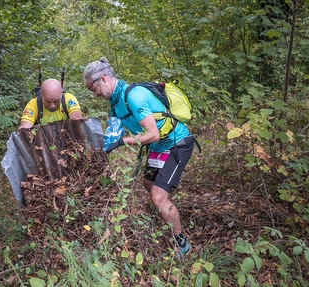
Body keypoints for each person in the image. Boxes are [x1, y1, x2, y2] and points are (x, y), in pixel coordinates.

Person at [84, 57, 197, 259]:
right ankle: (166, 211)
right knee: (147, 183)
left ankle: (183, 244)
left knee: (157, 196)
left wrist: (123, 142)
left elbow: (152, 134)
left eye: (93, 88)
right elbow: (114, 132)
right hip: (157, 147)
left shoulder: (134, 96)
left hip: (176, 143)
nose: (94, 94)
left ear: (103, 79)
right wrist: (104, 146)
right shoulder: (114, 103)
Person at [18, 78, 83, 130]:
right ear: (41, 94)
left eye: (56, 101)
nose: (52, 106)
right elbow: (24, 128)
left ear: (62, 93)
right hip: (42, 142)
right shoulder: (33, 104)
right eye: (48, 101)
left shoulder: (69, 99)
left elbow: (77, 121)